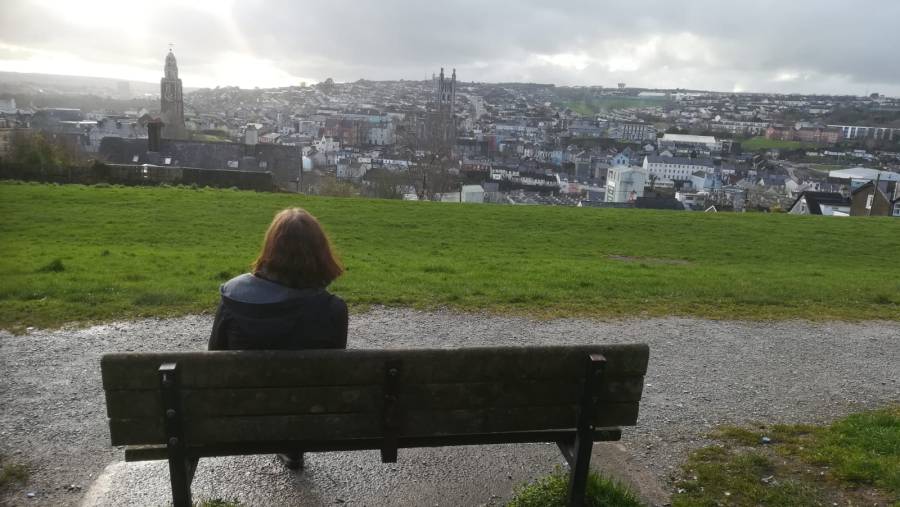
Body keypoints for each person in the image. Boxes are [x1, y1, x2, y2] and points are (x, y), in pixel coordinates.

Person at [208, 207, 348, 470]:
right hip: (309, 416)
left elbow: (214, 358)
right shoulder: (333, 309)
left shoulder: (233, 296)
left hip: (240, 413)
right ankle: (292, 445)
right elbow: (332, 375)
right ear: (320, 252)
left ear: (271, 247)